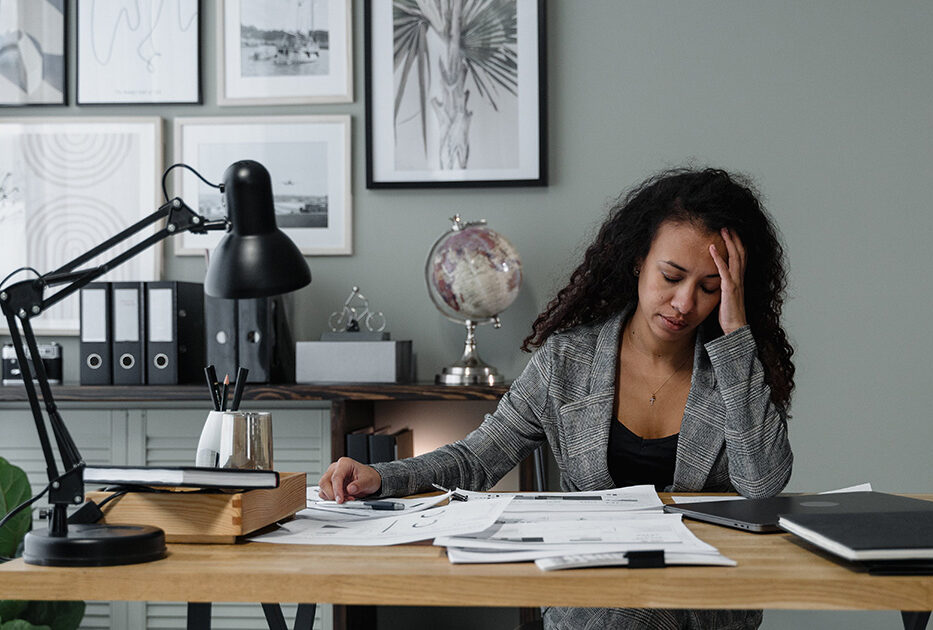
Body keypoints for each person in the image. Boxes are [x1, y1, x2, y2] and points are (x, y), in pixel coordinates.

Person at [319, 167, 795, 630]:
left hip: (701, 601)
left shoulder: (737, 368)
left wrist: (735, 336)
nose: (685, 303)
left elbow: (763, 486)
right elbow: (476, 460)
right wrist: (382, 477)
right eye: (671, 276)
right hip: (592, 594)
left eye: (710, 288)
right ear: (638, 261)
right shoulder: (567, 360)